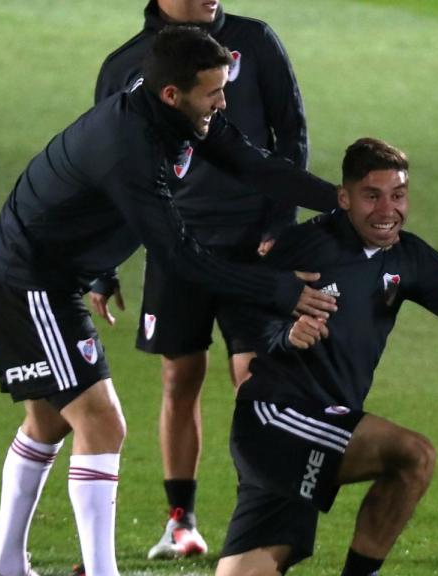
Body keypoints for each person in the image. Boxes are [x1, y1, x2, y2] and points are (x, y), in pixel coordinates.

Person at [0, 26, 338, 576]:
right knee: (102, 423)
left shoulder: (177, 116)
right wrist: (282, 290)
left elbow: (254, 163)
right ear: (172, 93)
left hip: (48, 275)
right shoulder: (130, 145)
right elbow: (181, 257)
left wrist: (339, 201)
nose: (223, 102)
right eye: (214, 92)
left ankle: (6, 567)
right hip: (30, 279)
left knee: (49, 423)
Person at [213, 138, 438, 576]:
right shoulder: (305, 246)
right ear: (344, 197)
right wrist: (284, 336)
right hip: (275, 418)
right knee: (414, 455)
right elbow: (239, 308)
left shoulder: (406, 257)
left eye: (398, 195)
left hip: (317, 425)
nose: (387, 210)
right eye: (372, 196)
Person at [91, 0, 310, 559]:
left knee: (255, 380)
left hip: (251, 245)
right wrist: (101, 263)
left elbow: (291, 131)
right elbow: (106, 167)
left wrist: (281, 222)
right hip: (175, 247)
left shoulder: (255, 41)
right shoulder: (125, 64)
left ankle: (256, 518)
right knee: (178, 377)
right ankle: (180, 523)